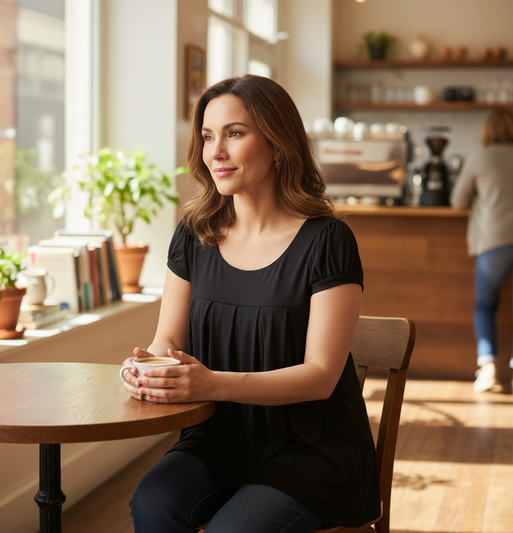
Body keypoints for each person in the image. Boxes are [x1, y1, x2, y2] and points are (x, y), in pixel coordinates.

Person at [121, 75, 380, 533]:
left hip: (311, 452)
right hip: (219, 438)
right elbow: (169, 336)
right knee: (153, 503)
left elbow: (320, 377)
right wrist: (149, 366)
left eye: (234, 133)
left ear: (278, 143)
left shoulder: (327, 240)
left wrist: (212, 384)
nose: (215, 151)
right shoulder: (194, 232)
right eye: (207, 136)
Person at [450, 108, 513, 393]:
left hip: (493, 242)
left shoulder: (481, 157)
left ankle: (488, 369)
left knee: (485, 306)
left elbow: (457, 201)